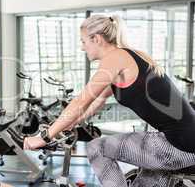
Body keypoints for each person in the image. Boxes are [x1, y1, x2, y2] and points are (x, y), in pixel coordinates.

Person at [23, 15, 195, 187]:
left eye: (83, 42)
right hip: (183, 142)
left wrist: (43, 137)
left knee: (96, 148)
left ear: (96, 39)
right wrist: (72, 123)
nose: (82, 48)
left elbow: (80, 102)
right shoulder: (126, 59)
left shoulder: (115, 58)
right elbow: (96, 102)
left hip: (179, 144)